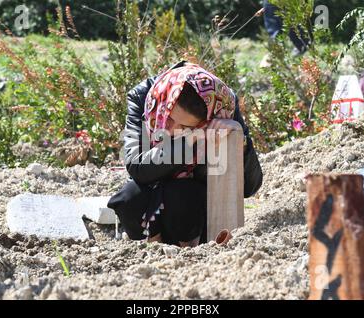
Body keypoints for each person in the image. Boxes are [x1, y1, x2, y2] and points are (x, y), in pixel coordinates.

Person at [107, 61, 263, 247]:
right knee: (129, 198)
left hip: (194, 204)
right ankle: (151, 248)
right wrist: (191, 139)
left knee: (181, 194)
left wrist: (239, 140)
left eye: (185, 126)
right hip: (152, 185)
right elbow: (136, 166)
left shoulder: (220, 103)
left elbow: (250, 187)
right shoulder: (143, 97)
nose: (171, 129)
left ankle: (190, 252)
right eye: (169, 118)